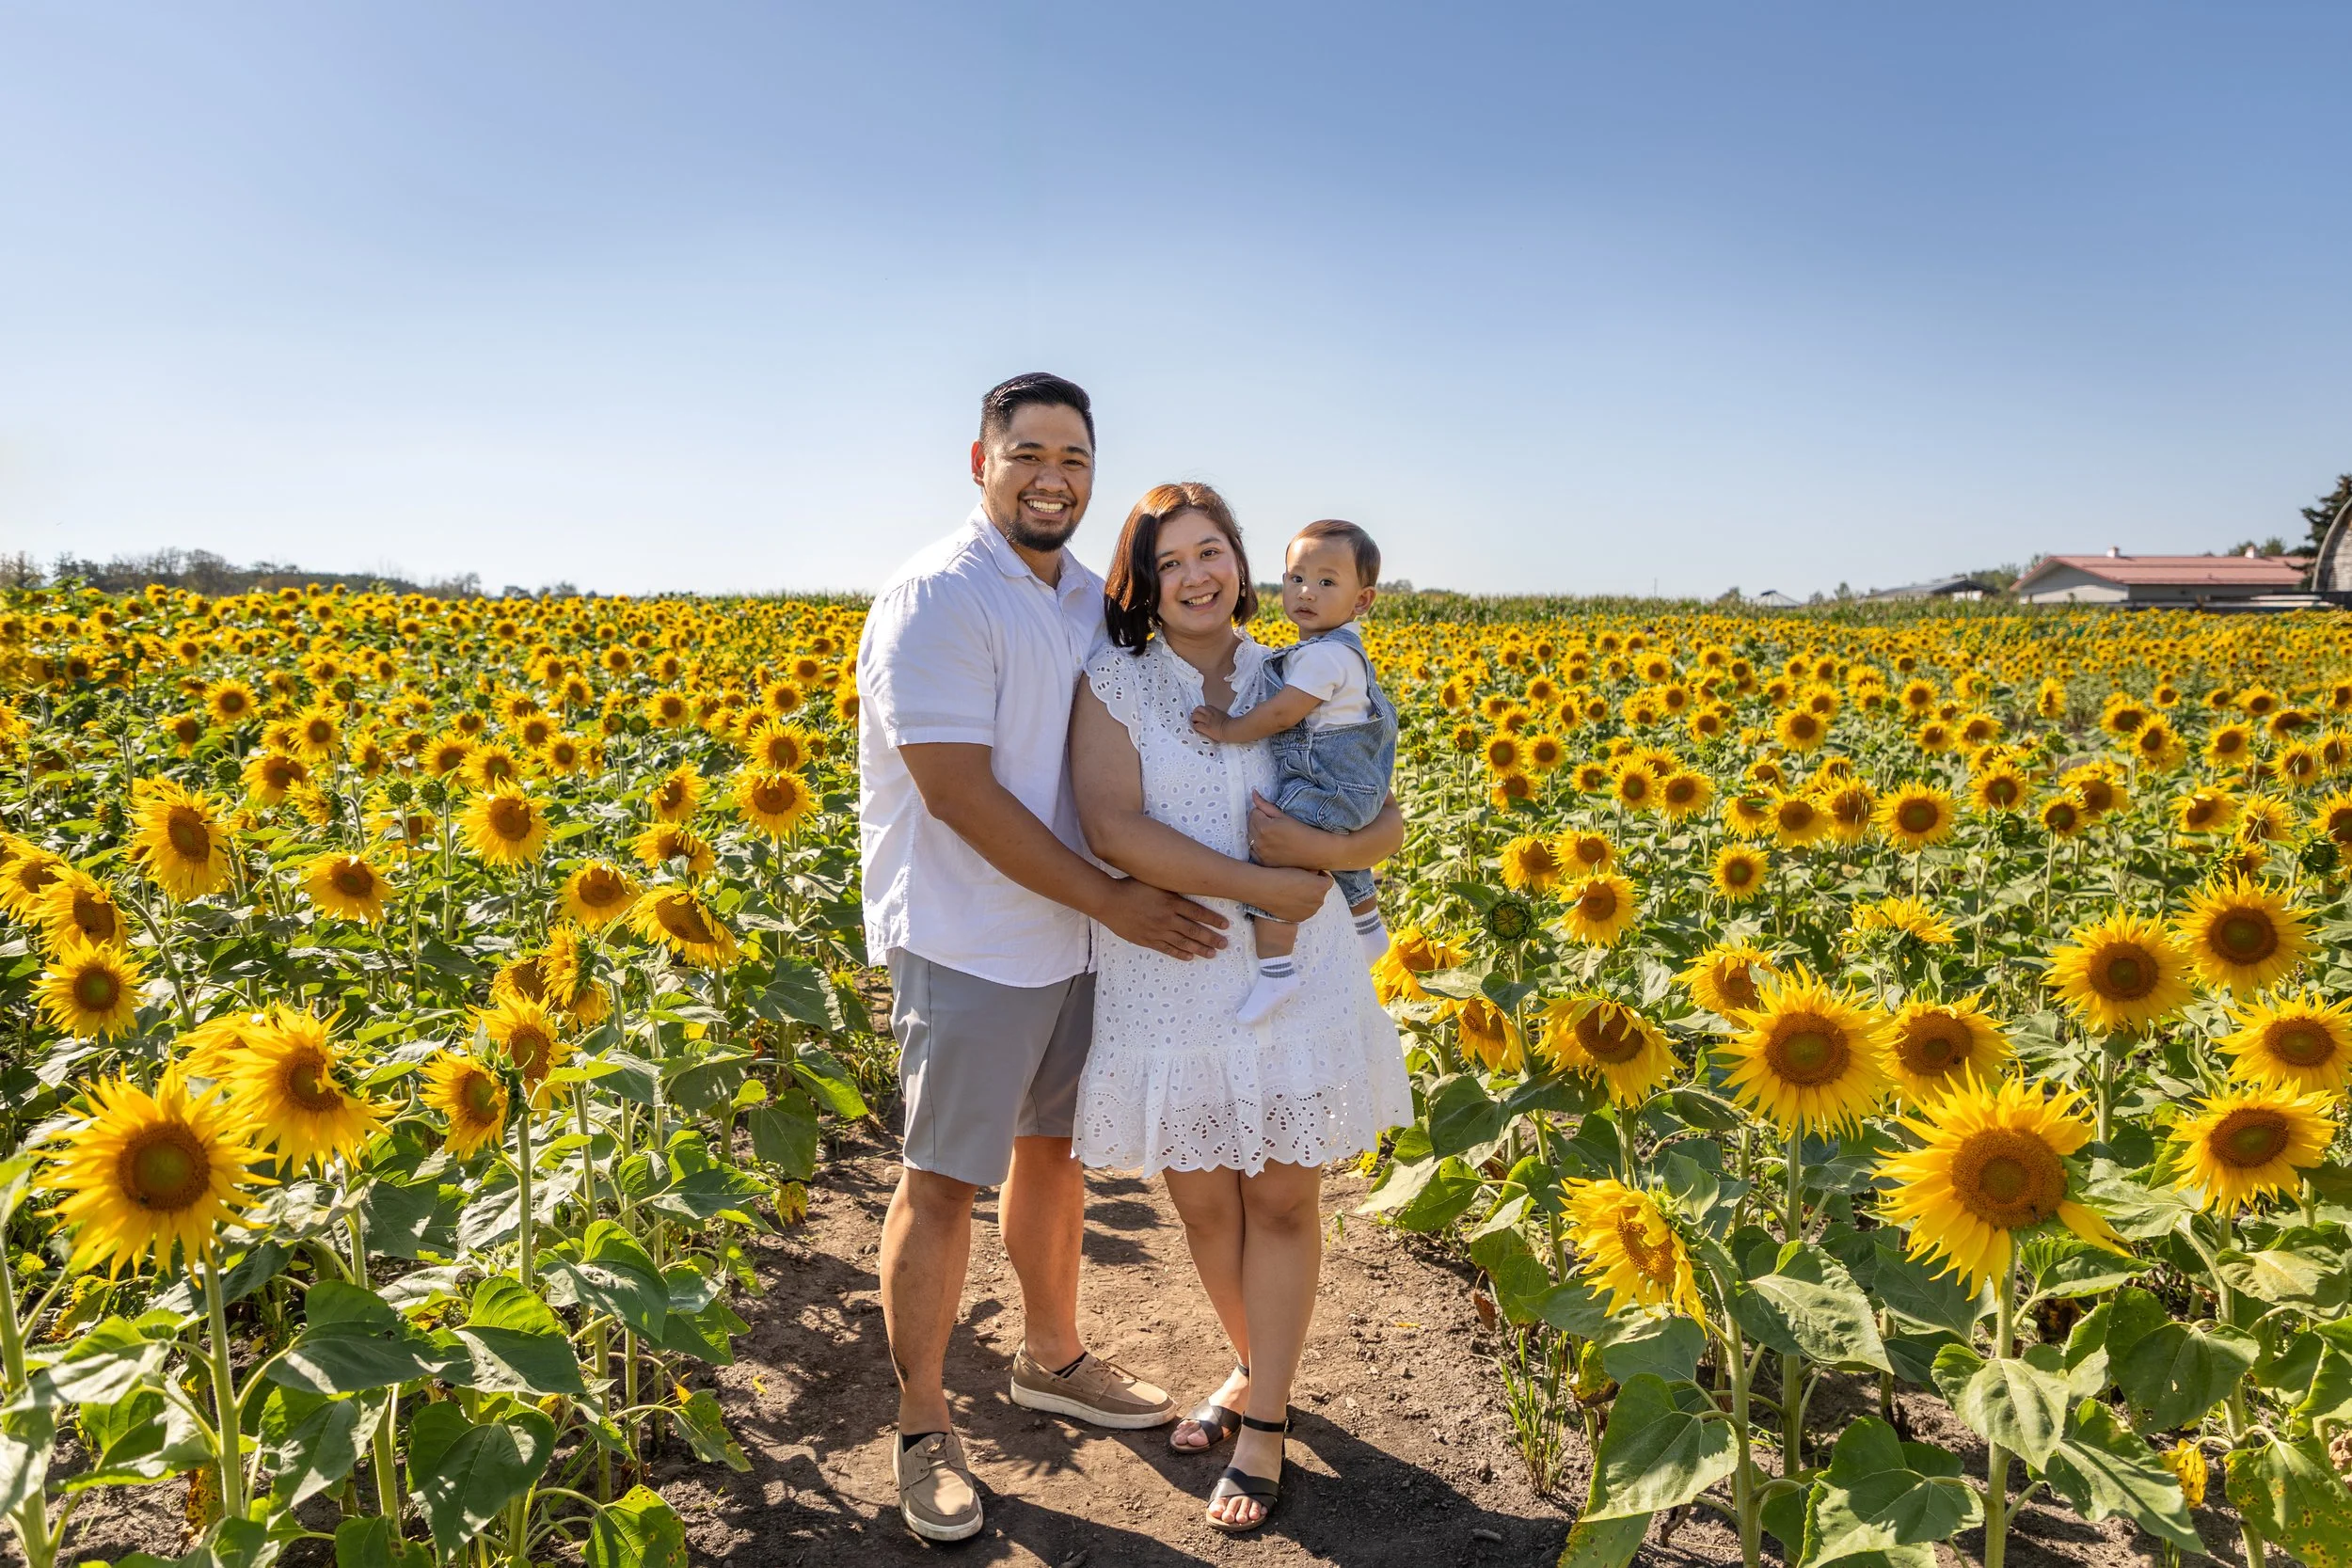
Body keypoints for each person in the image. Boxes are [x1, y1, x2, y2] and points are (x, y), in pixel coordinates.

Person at [856, 373, 1230, 1543]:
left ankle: (1053, 1355)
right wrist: (1115, 899)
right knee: (942, 1177)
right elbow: (958, 792)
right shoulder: (937, 595)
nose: (1051, 474)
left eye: (1072, 455)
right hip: (971, 936)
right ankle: (924, 1423)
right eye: (1027, 452)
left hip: (1074, 934)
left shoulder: (1082, 597)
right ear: (981, 462)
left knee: (1053, 1152)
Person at [1068, 483, 1414, 1533]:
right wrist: (1268, 881)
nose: (1196, 574)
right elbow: (1113, 828)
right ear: (1143, 578)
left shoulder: (1301, 663)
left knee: (1281, 1201)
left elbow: (1382, 810)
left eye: (1210, 549)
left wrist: (1330, 857)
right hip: (1176, 966)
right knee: (1206, 1204)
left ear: (1241, 561)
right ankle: (1257, 1364)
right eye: (1170, 560)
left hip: (1294, 969)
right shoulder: (1114, 678)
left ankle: (1262, 1417)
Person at [1189, 519, 1397, 1024]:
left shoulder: (1323, 659)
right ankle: (1368, 925)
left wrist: (1229, 727)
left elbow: (1282, 715)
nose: (1307, 592)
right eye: (1296, 578)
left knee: (1280, 859)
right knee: (1329, 844)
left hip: (1330, 783)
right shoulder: (1337, 653)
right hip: (1354, 786)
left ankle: (1276, 968)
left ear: (1362, 600)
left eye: (1328, 582)